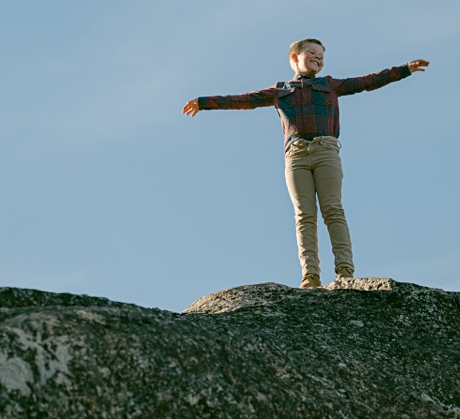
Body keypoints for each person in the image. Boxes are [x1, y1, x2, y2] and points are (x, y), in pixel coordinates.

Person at [183, 39, 429, 289]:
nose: (318, 58)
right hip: (296, 155)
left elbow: (368, 81)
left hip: (326, 151)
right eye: (311, 53)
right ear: (294, 58)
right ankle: (310, 275)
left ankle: (345, 270)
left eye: (321, 55)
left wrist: (404, 70)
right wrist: (204, 102)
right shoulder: (280, 91)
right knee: (304, 215)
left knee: (333, 209)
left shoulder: (331, 85)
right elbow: (243, 100)